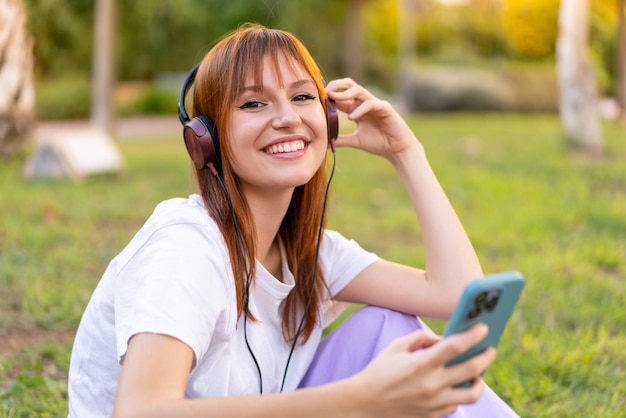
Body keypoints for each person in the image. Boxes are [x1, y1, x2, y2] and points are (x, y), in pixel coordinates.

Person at [67, 23, 519, 418]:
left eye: (302, 97)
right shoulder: (185, 248)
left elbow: (456, 294)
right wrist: (360, 400)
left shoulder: (312, 253)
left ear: (328, 118)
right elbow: (140, 412)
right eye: (253, 104)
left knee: (383, 326)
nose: (287, 118)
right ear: (204, 140)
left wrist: (407, 153)